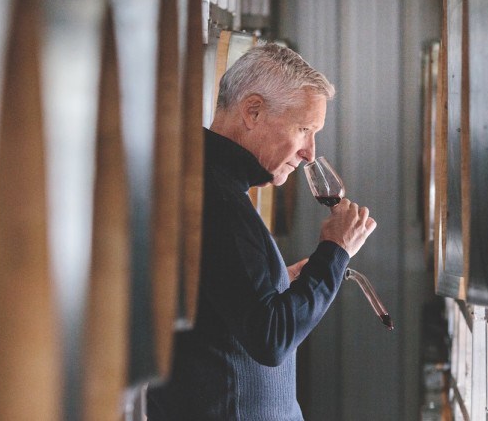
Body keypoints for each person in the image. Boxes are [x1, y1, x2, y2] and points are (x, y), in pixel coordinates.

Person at [147, 43, 377, 420]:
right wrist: (335, 251)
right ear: (252, 111)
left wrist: (281, 282)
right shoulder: (217, 197)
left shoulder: (211, 183)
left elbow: (220, 302)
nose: (309, 152)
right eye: (304, 129)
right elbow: (271, 339)